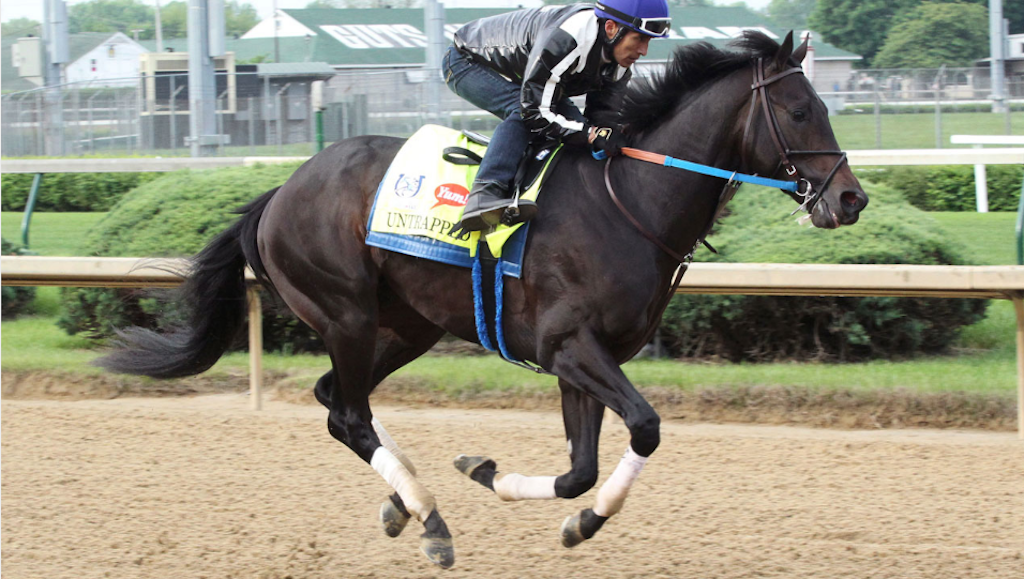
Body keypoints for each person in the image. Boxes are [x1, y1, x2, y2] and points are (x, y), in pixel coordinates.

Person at [443, 0, 671, 232]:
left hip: (526, 73)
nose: (644, 51)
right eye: (639, 39)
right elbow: (533, 112)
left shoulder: (620, 62)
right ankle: (485, 193)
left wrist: (607, 134)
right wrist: (590, 134)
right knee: (521, 112)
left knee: (577, 131)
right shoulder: (566, 40)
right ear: (611, 28)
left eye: (649, 40)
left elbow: (601, 120)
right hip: (466, 62)